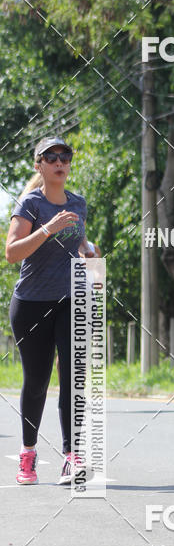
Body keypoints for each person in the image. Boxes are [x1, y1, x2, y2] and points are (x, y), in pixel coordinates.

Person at [5, 136, 91, 485]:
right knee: (37, 380)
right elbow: (12, 252)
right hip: (31, 304)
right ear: (38, 165)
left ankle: (73, 456)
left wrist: (90, 251)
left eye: (65, 156)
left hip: (70, 300)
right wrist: (46, 229)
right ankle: (28, 454)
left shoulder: (79, 204)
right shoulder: (30, 204)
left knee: (73, 376)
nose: (59, 162)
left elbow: (80, 242)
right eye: (50, 157)